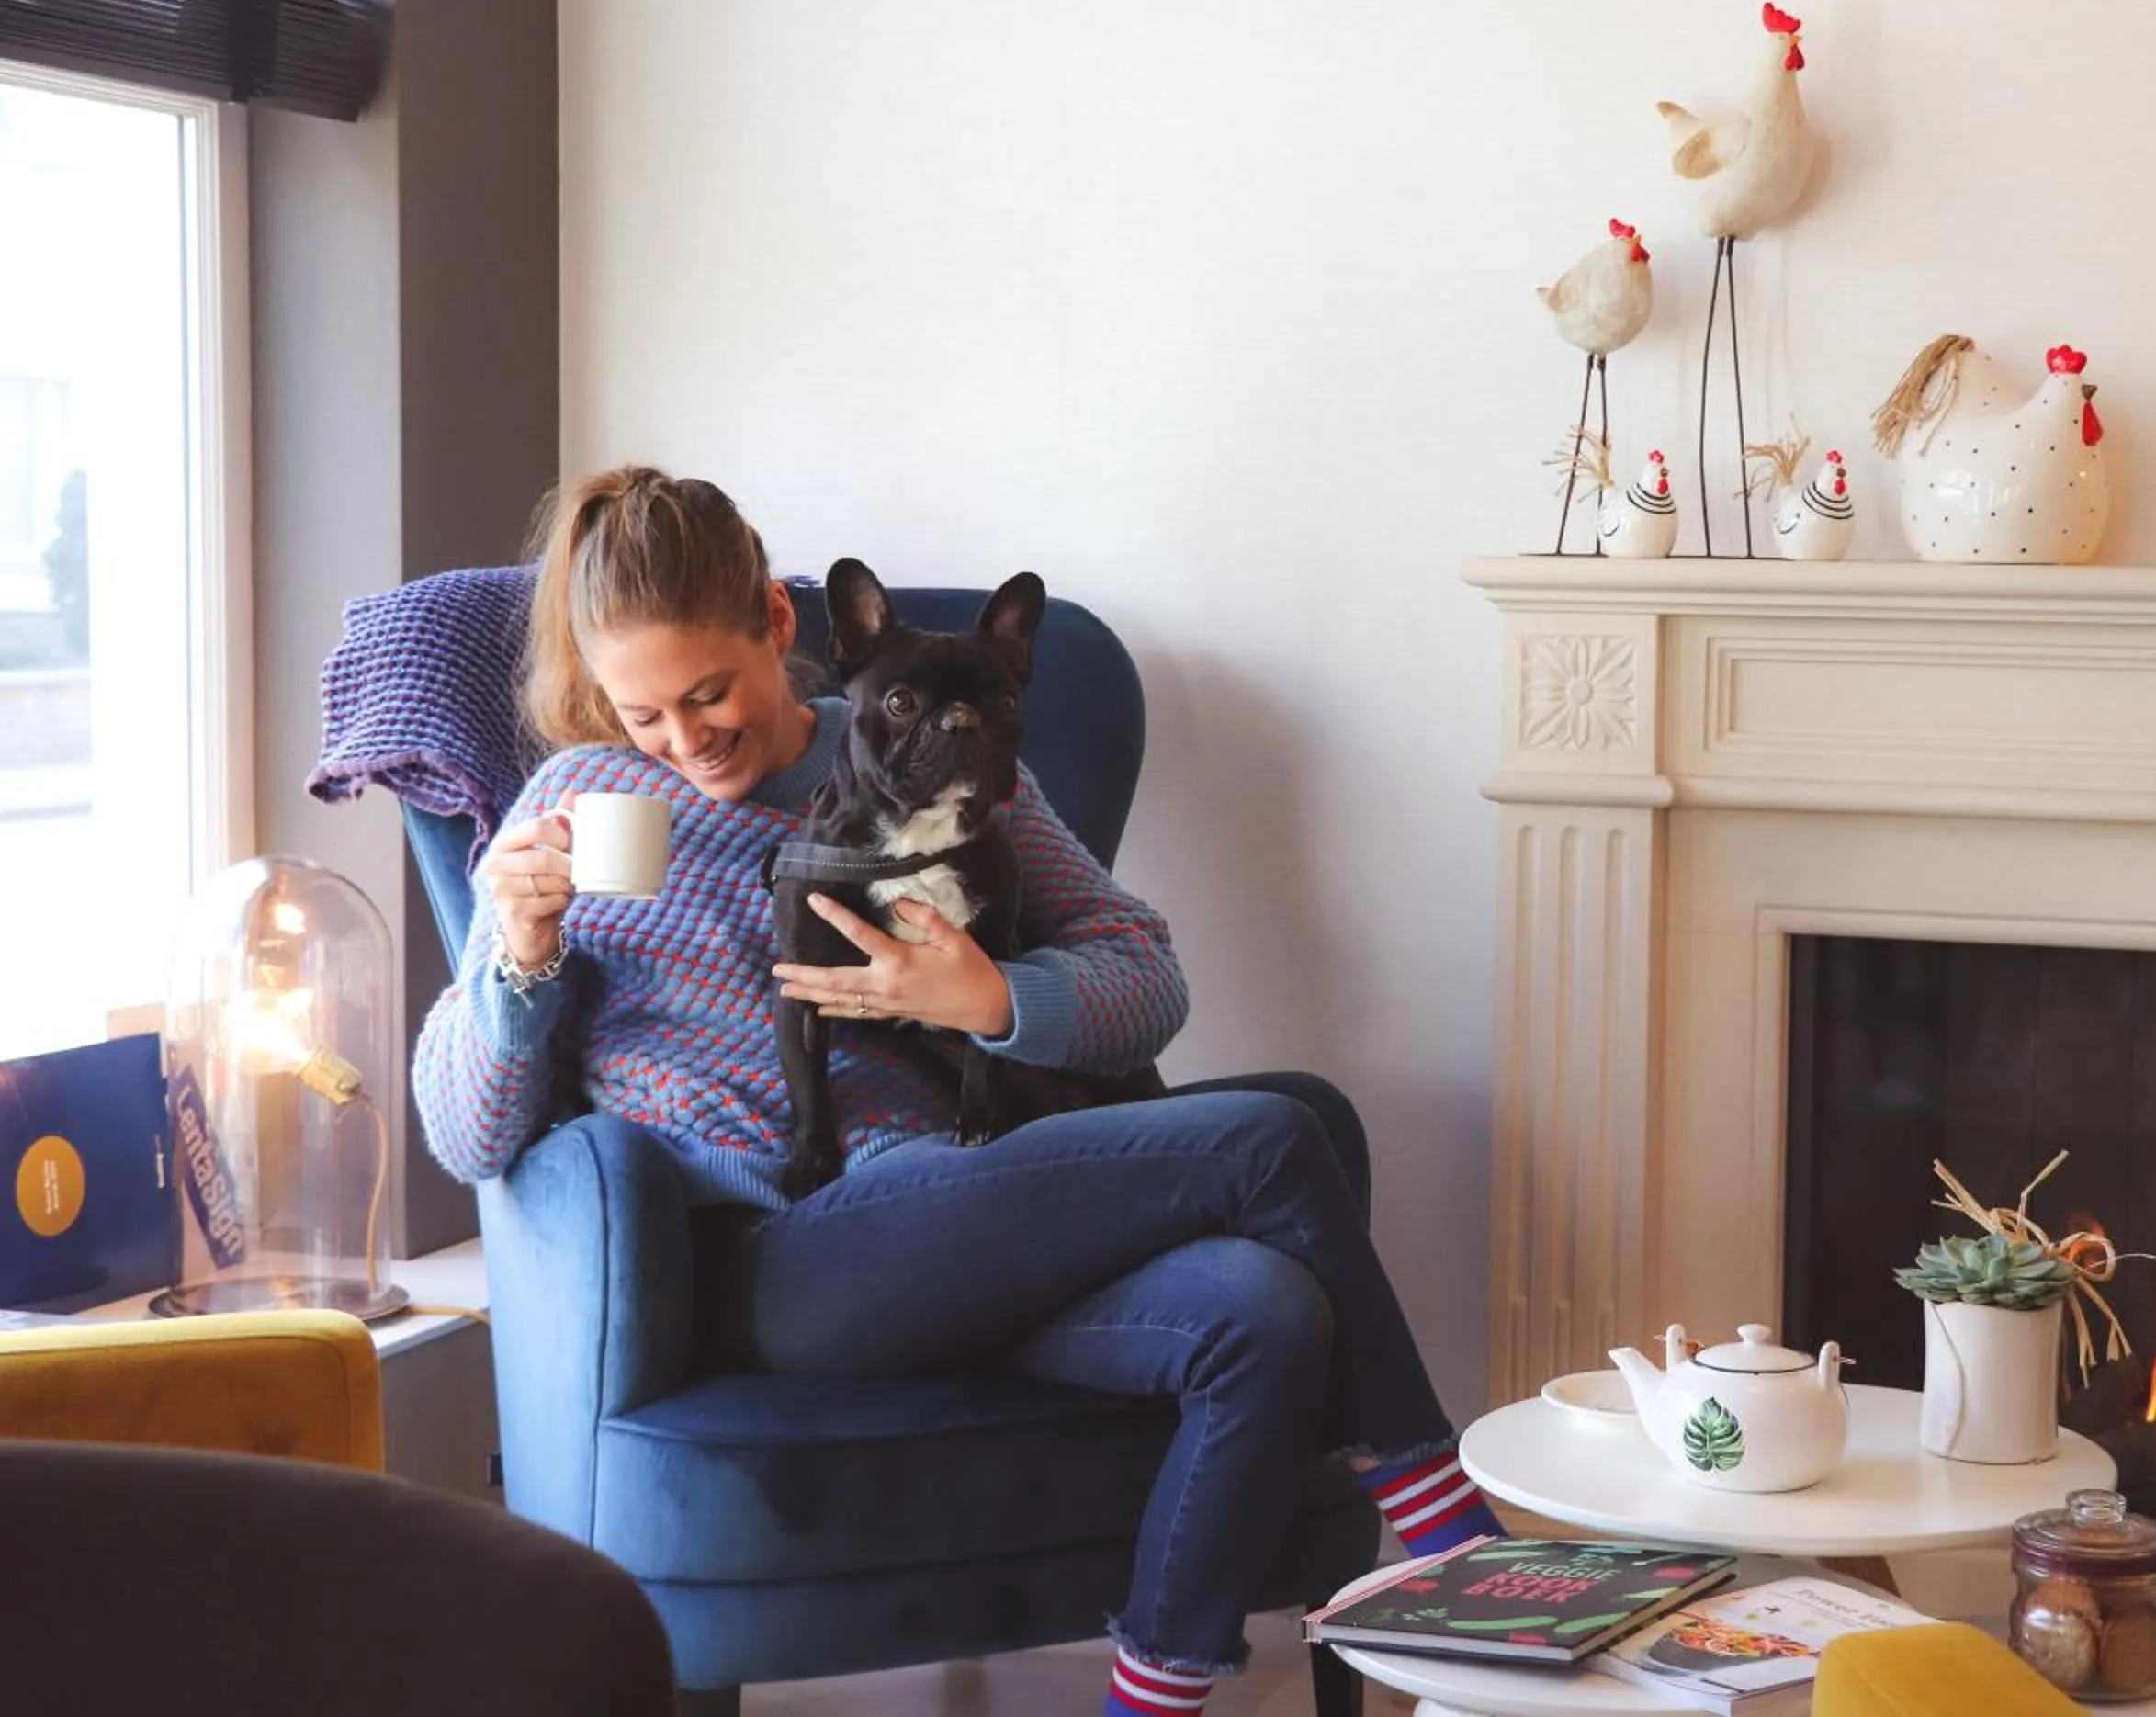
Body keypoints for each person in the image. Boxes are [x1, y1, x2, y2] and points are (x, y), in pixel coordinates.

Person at [412, 467, 1499, 1716]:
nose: (684, 738)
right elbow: (469, 1132)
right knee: (1272, 1137)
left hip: (980, 1217)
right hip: (786, 1268)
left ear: (776, 623)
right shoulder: (575, 812)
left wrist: (988, 998)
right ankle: (1454, 1534)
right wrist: (518, 954)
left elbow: (1148, 975)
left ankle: (1153, 1690)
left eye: (707, 692)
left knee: (1264, 1313)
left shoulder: (942, 752)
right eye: (641, 711)